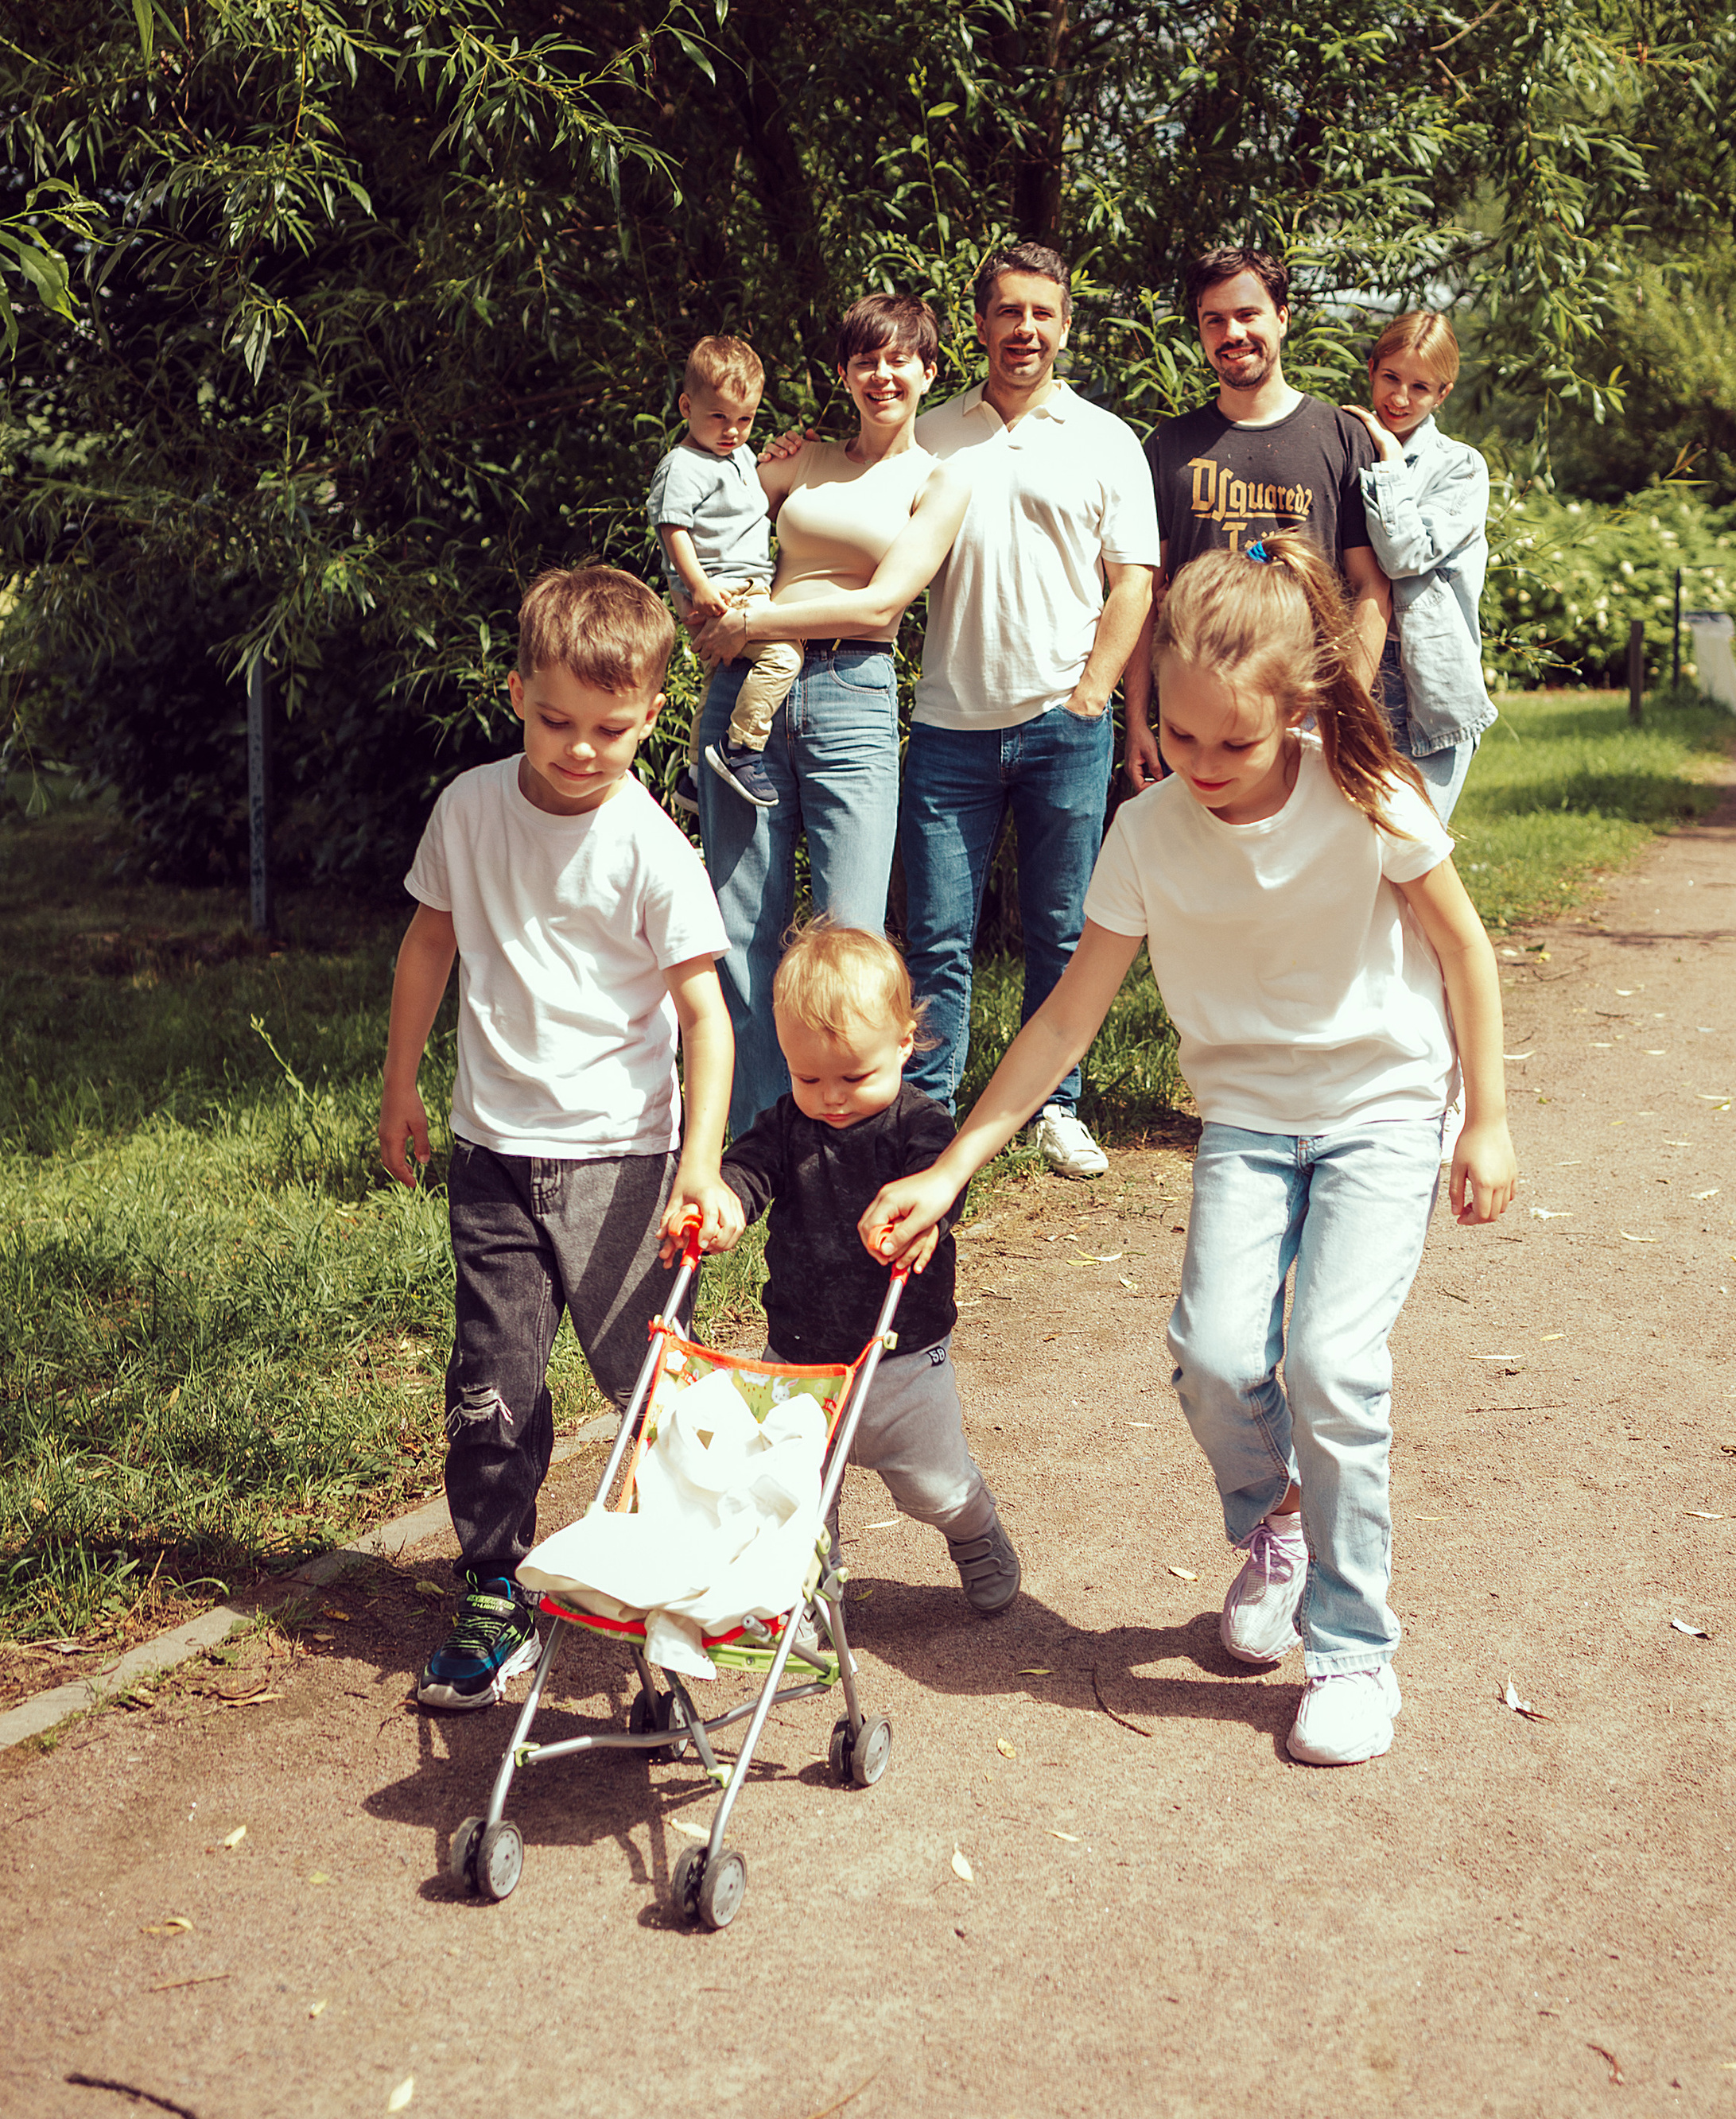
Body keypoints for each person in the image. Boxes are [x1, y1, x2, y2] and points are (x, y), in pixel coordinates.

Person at [861, 534, 1517, 1768]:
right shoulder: (1149, 832)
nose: (1201, 765)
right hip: (1251, 1120)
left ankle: (1354, 1650)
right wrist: (951, 1166)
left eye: (1234, 742)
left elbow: (1466, 952)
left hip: (1385, 1108)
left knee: (1331, 1363)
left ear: (1299, 710)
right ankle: (1280, 1514)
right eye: (1180, 733)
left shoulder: (1371, 796)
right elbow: (1064, 1019)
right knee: (1214, 1355)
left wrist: (1485, 1115)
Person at [378, 562, 743, 1712]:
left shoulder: (651, 847)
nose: (581, 749)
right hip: (491, 1155)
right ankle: (495, 1588)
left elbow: (705, 1019)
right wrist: (401, 1085)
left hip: (626, 1162)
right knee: (492, 1381)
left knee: (650, 1386)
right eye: (555, 722)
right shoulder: (469, 809)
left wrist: (696, 1161)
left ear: (649, 716)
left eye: (611, 729)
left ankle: (694, 1591)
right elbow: (429, 945)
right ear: (515, 692)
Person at [900, 240, 1159, 1181]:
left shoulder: (1105, 439)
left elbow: (1134, 580)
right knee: (937, 935)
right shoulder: (929, 434)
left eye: (1042, 313)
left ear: (1064, 325)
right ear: (979, 324)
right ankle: (925, 1113)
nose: (1026, 329)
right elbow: (852, 512)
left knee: (1062, 931)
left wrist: (1092, 693)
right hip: (946, 728)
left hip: (1064, 725)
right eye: (1009, 311)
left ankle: (1055, 1106)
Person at [692, 293, 972, 1138]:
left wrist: (755, 620)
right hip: (746, 695)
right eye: (864, 360)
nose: (881, 375)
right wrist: (708, 608)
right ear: (843, 374)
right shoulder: (800, 459)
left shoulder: (939, 480)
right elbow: (706, 502)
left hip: (851, 695)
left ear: (927, 372)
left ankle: (854, 1144)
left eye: (899, 360)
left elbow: (880, 605)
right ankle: (753, 1146)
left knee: (850, 937)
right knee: (743, 930)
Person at [715, 921, 1020, 1614]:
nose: (830, 1096)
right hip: (799, 1354)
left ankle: (973, 1528)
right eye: (807, 1077)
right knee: (797, 1494)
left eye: (855, 1075)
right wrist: (729, 1201)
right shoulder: (788, 1125)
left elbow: (945, 1184)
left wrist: (930, 1216)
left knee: (933, 1488)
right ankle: (812, 1599)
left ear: (906, 1046)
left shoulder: (919, 1126)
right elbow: (749, 1167)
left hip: (904, 1357)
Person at [1124, 244, 1392, 790]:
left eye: (1248, 314)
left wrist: (1345, 713)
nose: (1233, 333)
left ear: (1282, 317)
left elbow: (1369, 587)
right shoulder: (1169, 446)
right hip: (1197, 718)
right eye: (1214, 320)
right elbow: (1143, 595)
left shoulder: (1341, 438)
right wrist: (1139, 721)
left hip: (1312, 709)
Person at [643, 333, 802, 814]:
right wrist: (697, 587)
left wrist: (794, 453)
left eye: (745, 419)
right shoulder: (683, 465)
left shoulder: (740, 457)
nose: (733, 429)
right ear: (687, 406)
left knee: (720, 676)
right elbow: (673, 529)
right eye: (719, 416)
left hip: (748, 585)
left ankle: (693, 775)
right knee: (784, 656)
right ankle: (742, 749)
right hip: (721, 587)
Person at [1349, 311, 1495, 823]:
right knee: (1347, 858)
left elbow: (1404, 556)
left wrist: (1388, 465)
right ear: (1371, 369)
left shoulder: (1461, 467)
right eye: (1390, 378)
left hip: (1427, 686)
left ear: (1443, 393)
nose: (1400, 399)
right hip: (1348, 668)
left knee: (1413, 855)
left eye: (1420, 387)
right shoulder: (1341, 447)